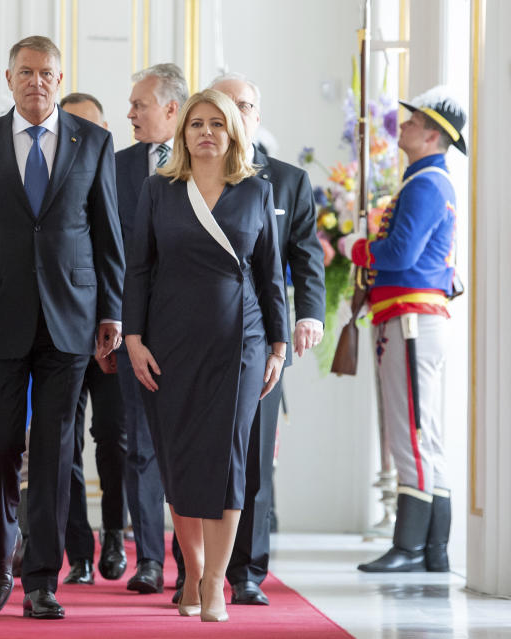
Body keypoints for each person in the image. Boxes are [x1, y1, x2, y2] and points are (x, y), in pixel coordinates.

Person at [0, 35, 124, 619]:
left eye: (47, 73)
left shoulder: (92, 141)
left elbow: (106, 234)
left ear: (60, 79)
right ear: (10, 77)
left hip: (70, 318)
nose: (37, 82)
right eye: (26, 72)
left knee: (54, 449)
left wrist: (112, 310)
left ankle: (42, 578)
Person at [123, 89, 288, 623]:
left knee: (229, 456)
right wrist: (133, 338)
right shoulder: (159, 190)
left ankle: (216, 581)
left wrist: (279, 344)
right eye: (196, 124)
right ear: (182, 132)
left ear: (234, 131)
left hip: (240, 340)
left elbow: (270, 275)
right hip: (169, 341)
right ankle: (192, 567)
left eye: (218, 123)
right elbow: (139, 269)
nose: (206, 133)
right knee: (178, 456)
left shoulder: (256, 192)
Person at [185, 72, 325, 607]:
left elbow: (304, 260)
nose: (234, 114)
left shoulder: (285, 182)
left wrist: (307, 316)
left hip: (258, 340)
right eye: (222, 106)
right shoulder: (183, 178)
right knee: (197, 454)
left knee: (253, 458)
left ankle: (246, 572)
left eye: (243, 106)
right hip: (192, 339)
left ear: (256, 116)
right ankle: (197, 571)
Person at [340, 87, 465, 574]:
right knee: (423, 433)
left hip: (410, 318)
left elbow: (399, 256)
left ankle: (411, 545)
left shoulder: (426, 184)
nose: (404, 126)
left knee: (410, 433)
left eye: (414, 122)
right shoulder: (427, 182)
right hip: (413, 316)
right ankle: (432, 549)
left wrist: (358, 248)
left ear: (434, 134)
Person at [114, 63, 188, 594]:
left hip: (193, 333)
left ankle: (191, 564)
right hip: (128, 331)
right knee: (138, 448)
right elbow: (99, 251)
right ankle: (149, 562)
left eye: (140, 104)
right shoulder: (114, 166)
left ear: (171, 109)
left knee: (189, 449)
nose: (131, 113)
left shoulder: (206, 165)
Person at [55, 91, 128, 585]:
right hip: (61, 330)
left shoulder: (124, 175)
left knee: (114, 439)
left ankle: (116, 537)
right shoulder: (47, 176)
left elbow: (125, 261)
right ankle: (78, 549)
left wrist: (118, 320)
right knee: (63, 445)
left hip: (112, 330)